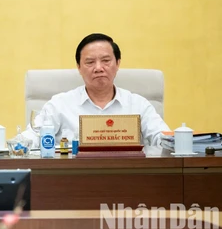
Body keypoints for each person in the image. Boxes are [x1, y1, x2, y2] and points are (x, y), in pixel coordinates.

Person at [28, 33, 169, 148]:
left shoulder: (138, 104)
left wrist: (174, 141)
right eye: (90, 62)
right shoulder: (59, 104)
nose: (98, 68)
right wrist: (20, 144)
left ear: (118, 63)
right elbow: (33, 136)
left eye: (106, 60)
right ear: (79, 67)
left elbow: (162, 138)